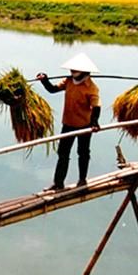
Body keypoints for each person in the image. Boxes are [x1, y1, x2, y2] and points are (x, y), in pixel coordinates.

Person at [36, 53, 101, 191]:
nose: (72, 72)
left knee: (83, 152)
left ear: (84, 71)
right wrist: (44, 80)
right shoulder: (69, 81)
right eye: (71, 70)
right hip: (68, 123)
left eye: (75, 70)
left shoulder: (91, 87)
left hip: (84, 124)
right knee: (63, 153)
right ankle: (58, 183)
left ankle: (82, 180)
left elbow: (96, 106)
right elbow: (53, 89)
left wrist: (95, 122)